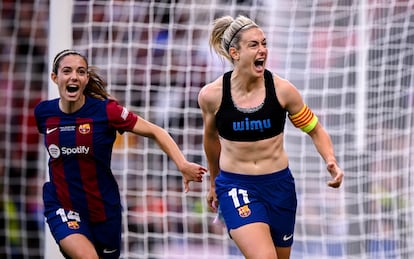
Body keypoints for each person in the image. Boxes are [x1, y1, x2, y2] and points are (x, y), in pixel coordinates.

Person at [34, 49, 207, 259]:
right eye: (67, 71)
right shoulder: (44, 113)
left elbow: (156, 131)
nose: (73, 77)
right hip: (63, 204)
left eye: (80, 72)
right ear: (55, 77)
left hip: (104, 209)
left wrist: (183, 165)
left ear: (86, 78)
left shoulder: (106, 111)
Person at [197, 15, 344, 259]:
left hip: (280, 186)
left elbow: (315, 129)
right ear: (234, 52)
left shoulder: (283, 90)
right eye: (253, 45)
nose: (262, 50)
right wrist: (214, 181)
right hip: (236, 186)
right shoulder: (211, 96)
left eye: (264, 43)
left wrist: (331, 160)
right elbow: (211, 139)